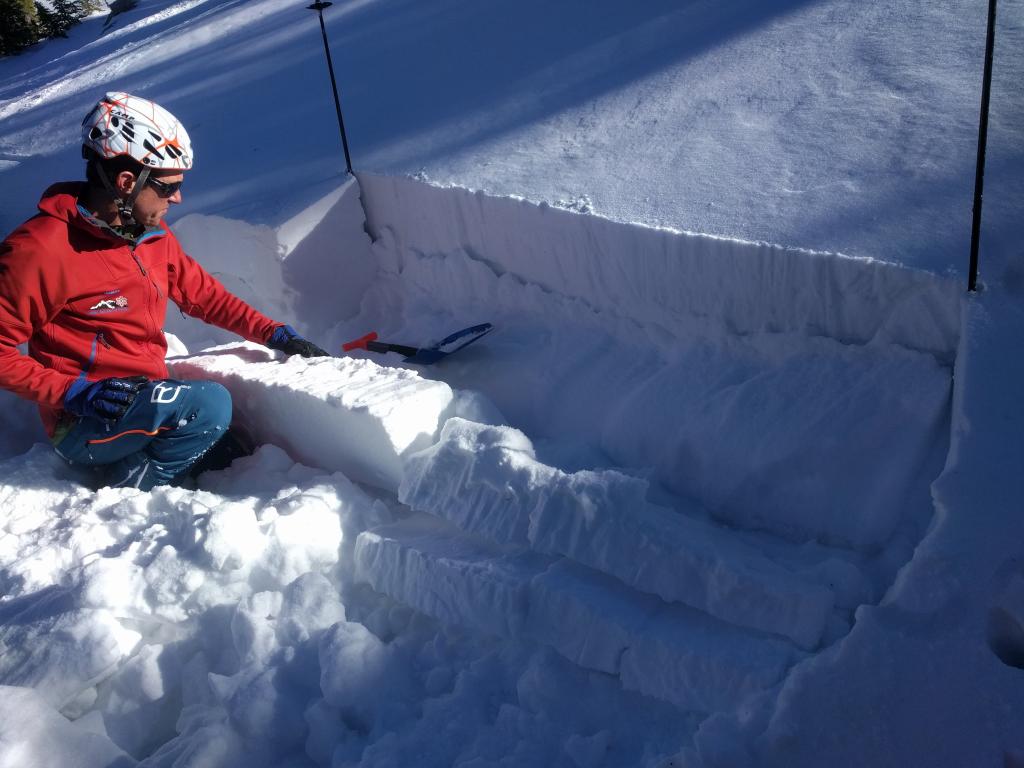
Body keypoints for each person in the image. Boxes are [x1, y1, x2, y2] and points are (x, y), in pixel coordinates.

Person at [0, 91, 330, 491]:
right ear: (126, 182)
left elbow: (205, 295)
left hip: (144, 396)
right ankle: (125, 488)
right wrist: (73, 392)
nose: (178, 197)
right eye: (168, 186)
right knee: (210, 406)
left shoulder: (150, 234)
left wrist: (276, 333)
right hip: (83, 420)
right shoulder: (41, 249)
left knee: (233, 446)